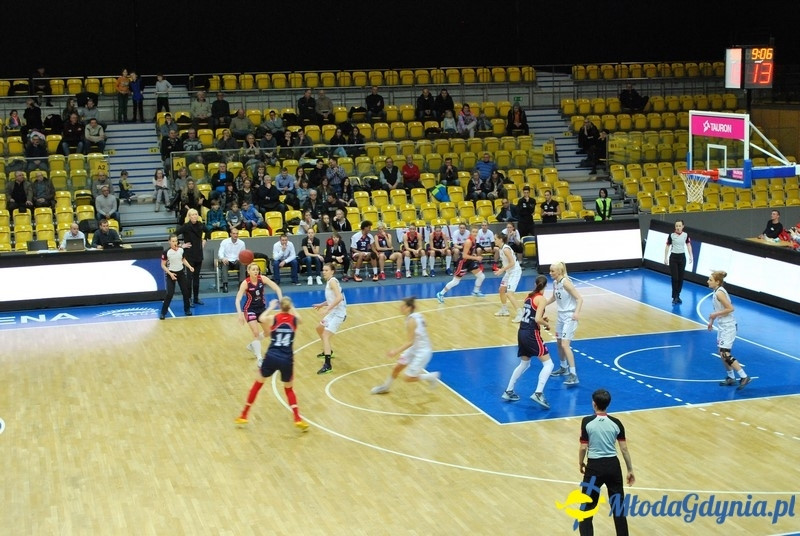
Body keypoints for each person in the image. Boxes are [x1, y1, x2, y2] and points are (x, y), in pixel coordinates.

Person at [235, 296, 309, 431]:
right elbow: (301, 319)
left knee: (257, 385)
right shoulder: (294, 320)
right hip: (287, 359)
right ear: (290, 307)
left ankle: (244, 415)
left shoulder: (274, 318)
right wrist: (292, 308)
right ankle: (297, 418)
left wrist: (270, 307)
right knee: (289, 389)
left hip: (272, 356)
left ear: (280, 307)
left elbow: (261, 318)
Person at [577, 388, 636, 536]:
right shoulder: (616, 423)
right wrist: (630, 470)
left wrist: (581, 462)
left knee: (586, 508)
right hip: (613, 467)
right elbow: (624, 449)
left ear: (594, 403)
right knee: (618, 509)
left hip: (594, 467)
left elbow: (583, 447)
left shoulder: (587, 422)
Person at [371, 296, 441, 394]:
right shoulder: (418, 315)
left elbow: (410, 342)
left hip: (422, 352)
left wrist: (395, 351)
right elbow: (425, 325)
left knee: (408, 378)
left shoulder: (411, 321)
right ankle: (385, 387)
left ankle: (431, 376)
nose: (401, 308)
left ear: (409, 308)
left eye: (403, 306)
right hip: (414, 348)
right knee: (397, 368)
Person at [501, 274, 553, 407]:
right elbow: (537, 319)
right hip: (531, 333)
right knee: (549, 364)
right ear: (546, 286)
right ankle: (538, 393)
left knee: (524, 363)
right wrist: (546, 324)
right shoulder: (541, 299)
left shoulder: (529, 297)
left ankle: (509, 390)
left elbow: (532, 316)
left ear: (535, 284)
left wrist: (542, 319)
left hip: (522, 331)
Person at [707, 271, 751, 390]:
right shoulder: (716, 291)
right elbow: (717, 310)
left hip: (728, 326)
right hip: (722, 326)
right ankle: (731, 377)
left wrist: (715, 315)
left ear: (717, 282)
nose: (708, 281)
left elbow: (730, 308)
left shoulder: (719, 293)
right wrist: (711, 321)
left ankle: (744, 376)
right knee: (721, 353)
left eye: (710, 280)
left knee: (725, 353)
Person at [235, 261, 283, 360]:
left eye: (257, 269)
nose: (256, 271)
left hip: (261, 309)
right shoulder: (245, 283)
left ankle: (253, 345)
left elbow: (277, 288)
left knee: (268, 332)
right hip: (250, 309)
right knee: (256, 333)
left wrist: (281, 300)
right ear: (248, 271)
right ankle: (259, 358)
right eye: (253, 270)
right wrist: (240, 314)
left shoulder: (262, 279)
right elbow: (238, 299)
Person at [548, 261, 583, 386]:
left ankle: (573, 375)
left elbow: (579, 298)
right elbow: (554, 297)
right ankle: (564, 367)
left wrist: (576, 312)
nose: (550, 273)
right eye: (550, 270)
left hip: (569, 316)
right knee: (559, 342)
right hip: (560, 316)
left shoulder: (566, 282)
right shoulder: (555, 283)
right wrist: (542, 305)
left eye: (552, 271)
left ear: (559, 272)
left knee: (565, 344)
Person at [436, 226, 486, 303]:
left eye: (476, 232)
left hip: (470, 261)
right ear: (470, 232)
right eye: (473, 232)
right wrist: (476, 258)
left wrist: (473, 255)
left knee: (481, 276)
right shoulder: (468, 241)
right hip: (463, 262)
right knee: (456, 281)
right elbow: (464, 255)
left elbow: (470, 251)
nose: (475, 233)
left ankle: (476, 291)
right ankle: (441, 293)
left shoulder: (474, 240)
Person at [313, 263, 347, 374]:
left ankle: (328, 365)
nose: (324, 272)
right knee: (319, 328)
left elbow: (339, 298)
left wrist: (327, 309)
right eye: (323, 270)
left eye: (326, 270)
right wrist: (321, 304)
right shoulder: (329, 282)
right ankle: (328, 351)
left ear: (332, 271)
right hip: (333, 312)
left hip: (338, 314)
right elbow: (332, 299)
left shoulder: (332, 281)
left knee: (325, 335)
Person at [175, 208, 207, 306]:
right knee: (189, 278)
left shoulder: (201, 225)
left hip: (199, 254)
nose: (194, 216)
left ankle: (196, 298)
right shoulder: (186, 226)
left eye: (196, 214)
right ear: (189, 216)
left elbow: (208, 231)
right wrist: (181, 245)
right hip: (189, 255)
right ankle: (188, 299)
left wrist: (205, 240)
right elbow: (174, 234)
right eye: (192, 215)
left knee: (197, 278)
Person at [159, 233, 194, 320]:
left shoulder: (181, 250)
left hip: (181, 273)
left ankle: (187, 310)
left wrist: (189, 267)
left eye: (176, 241)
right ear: (169, 242)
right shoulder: (166, 252)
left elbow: (183, 259)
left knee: (185, 292)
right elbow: (163, 265)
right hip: (171, 273)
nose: (175, 243)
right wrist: (170, 274)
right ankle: (163, 312)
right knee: (169, 294)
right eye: (173, 241)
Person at [494, 233, 524, 322]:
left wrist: (502, 270)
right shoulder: (501, 249)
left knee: (509, 294)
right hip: (509, 272)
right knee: (501, 289)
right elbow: (507, 263)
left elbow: (512, 263)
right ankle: (504, 310)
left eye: (495, 239)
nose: (494, 240)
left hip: (515, 272)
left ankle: (520, 314)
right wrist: (502, 269)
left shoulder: (506, 249)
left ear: (500, 239)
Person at [664, 219, 692, 305]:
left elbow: (688, 245)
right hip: (673, 258)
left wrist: (691, 256)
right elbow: (667, 246)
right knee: (675, 278)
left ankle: (678, 295)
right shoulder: (671, 235)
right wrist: (665, 258)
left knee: (680, 278)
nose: (678, 227)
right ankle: (674, 296)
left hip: (682, 258)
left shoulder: (685, 235)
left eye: (680, 226)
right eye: (676, 226)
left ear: (683, 226)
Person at [217, 227, 246, 292]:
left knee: (242, 263)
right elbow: (220, 252)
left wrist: (240, 259)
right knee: (224, 263)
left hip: (237, 261)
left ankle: (242, 284)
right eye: (234, 233)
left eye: (237, 233)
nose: (235, 235)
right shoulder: (224, 242)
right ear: (230, 234)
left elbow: (243, 254)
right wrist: (223, 258)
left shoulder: (242, 243)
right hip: (227, 261)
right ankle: (225, 284)